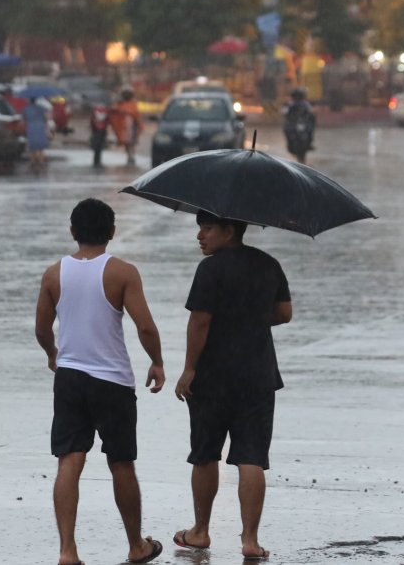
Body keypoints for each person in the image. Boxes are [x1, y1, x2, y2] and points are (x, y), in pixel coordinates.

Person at [34, 198, 166, 565]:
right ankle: (136, 545)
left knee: (69, 461)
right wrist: (157, 361)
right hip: (112, 382)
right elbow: (145, 326)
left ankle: (67, 551)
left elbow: (42, 329)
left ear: (73, 231)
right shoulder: (123, 272)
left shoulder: (53, 274)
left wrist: (52, 354)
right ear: (111, 232)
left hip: (71, 377)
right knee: (121, 462)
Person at [172, 210, 293, 561]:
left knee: (206, 453)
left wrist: (189, 369)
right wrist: (251, 318)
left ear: (228, 230)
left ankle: (200, 532)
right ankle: (250, 540)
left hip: (212, 377)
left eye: (206, 229)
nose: (200, 236)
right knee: (252, 457)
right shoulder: (269, 264)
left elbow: (200, 322)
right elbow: (284, 313)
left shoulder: (210, 269)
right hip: (258, 375)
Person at [109, 87, 143, 166]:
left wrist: (139, 125)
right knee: (127, 142)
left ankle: (131, 156)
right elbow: (113, 112)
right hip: (123, 127)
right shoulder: (120, 104)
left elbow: (136, 115)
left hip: (132, 126)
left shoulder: (133, 104)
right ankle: (130, 156)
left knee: (131, 142)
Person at [282, 87, 316, 163]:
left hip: (302, 124)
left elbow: (311, 113)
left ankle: (309, 144)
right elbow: (284, 113)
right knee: (287, 131)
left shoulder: (305, 104)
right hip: (292, 124)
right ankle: (291, 145)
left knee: (310, 130)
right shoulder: (291, 104)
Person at [24, 95, 53, 170]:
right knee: (41, 147)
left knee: (32, 146)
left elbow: (24, 118)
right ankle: (41, 161)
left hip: (31, 127)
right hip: (40, 127)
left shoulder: (26, 109)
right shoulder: (42, 108)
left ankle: (33, 161)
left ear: (30, 100)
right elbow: (46, 118)